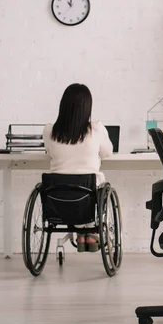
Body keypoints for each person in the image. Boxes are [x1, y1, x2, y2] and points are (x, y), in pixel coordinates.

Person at [43, 83, 113, 252]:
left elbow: (49, 152)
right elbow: (108, 152)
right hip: (87, 191)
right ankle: (89, 233)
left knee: (78, 186)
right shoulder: (95, 129)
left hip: (57, 193)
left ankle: (82, 233)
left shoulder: (49, 131)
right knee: (97, 186)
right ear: (87, 108)